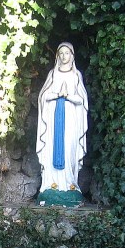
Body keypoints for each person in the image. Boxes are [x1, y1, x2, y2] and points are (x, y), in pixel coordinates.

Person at [35, 42, 88, 198]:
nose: (64, 57)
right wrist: (58, 94)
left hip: (71, 119)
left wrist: (68, 96)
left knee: (70, 148)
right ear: (58, 56)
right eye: (61, 53)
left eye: (67, 53)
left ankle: (70, 184)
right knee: (51, 147)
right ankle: (52, 184)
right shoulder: (53, 74)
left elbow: (82, 100)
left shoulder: (76, 75)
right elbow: (43, 96)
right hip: (53, 119)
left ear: (72, 55)